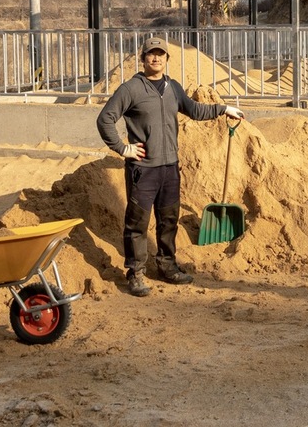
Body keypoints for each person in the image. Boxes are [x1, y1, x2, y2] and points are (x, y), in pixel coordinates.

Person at [96, 36, 244, 297]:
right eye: (151, 54)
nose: (156, 58)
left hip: (169, 168)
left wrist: (224, 109)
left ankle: (167, 265)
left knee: (168, 221)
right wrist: (122, 148)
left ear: (166, 59)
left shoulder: (172, 87)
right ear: (143, 59)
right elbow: (105, 119)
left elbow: (194, 109)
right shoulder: (131, 89)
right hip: (143, 169)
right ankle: (136, 272)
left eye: (160, 54)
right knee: (137, 223)